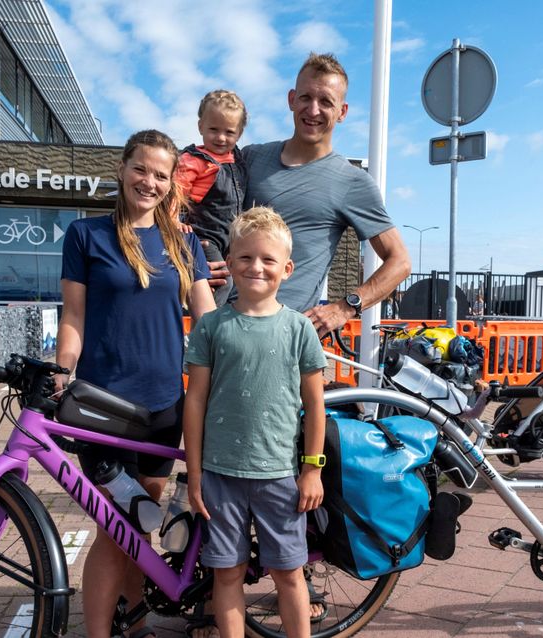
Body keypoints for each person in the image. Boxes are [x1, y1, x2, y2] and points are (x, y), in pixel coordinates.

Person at [55, 129, 215, 638]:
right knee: (115, 529)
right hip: (102, 406)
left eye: (160, 175)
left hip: (165, 405)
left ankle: (138, 620)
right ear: (123, 169)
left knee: (140, 526)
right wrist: (62, 369)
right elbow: (73, 317)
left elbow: (207, 320)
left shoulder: (184, 242)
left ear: (172, 184)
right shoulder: (86, 235)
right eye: (141, 169)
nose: (149, 181)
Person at [183, 207, 326, 638]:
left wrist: (312, 468)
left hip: (281, 475)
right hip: (219, 474)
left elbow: (315, 405)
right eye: (245, 257)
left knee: (289, 573)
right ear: (229, 260)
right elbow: (195, 401)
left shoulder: (300, 328)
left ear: (287, 268)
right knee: (227, 575)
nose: (256, 267)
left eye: (267, 259)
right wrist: (194, 474)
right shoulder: (211, 327)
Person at [239, 52, 411, 334]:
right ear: (291, 99)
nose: (313, 110)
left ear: (342, 112)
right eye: (306, 98)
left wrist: (343, 308)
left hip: (287, 340)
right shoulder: (252, 158)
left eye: (326, 102)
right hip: (228, 330)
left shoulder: (351, 181)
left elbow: (400, 262)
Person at [175, 90, 248, 306]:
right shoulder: (195, 160)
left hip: (230, 239)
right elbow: (175, 191)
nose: (221, 137)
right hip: (205, 236)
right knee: (221, 281)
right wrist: (173, 219)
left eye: (229, 132)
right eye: (213, 130)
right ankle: (205, 327)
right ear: (200, 127)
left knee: (235, 285)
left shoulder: (237, 159)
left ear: (239, 133)